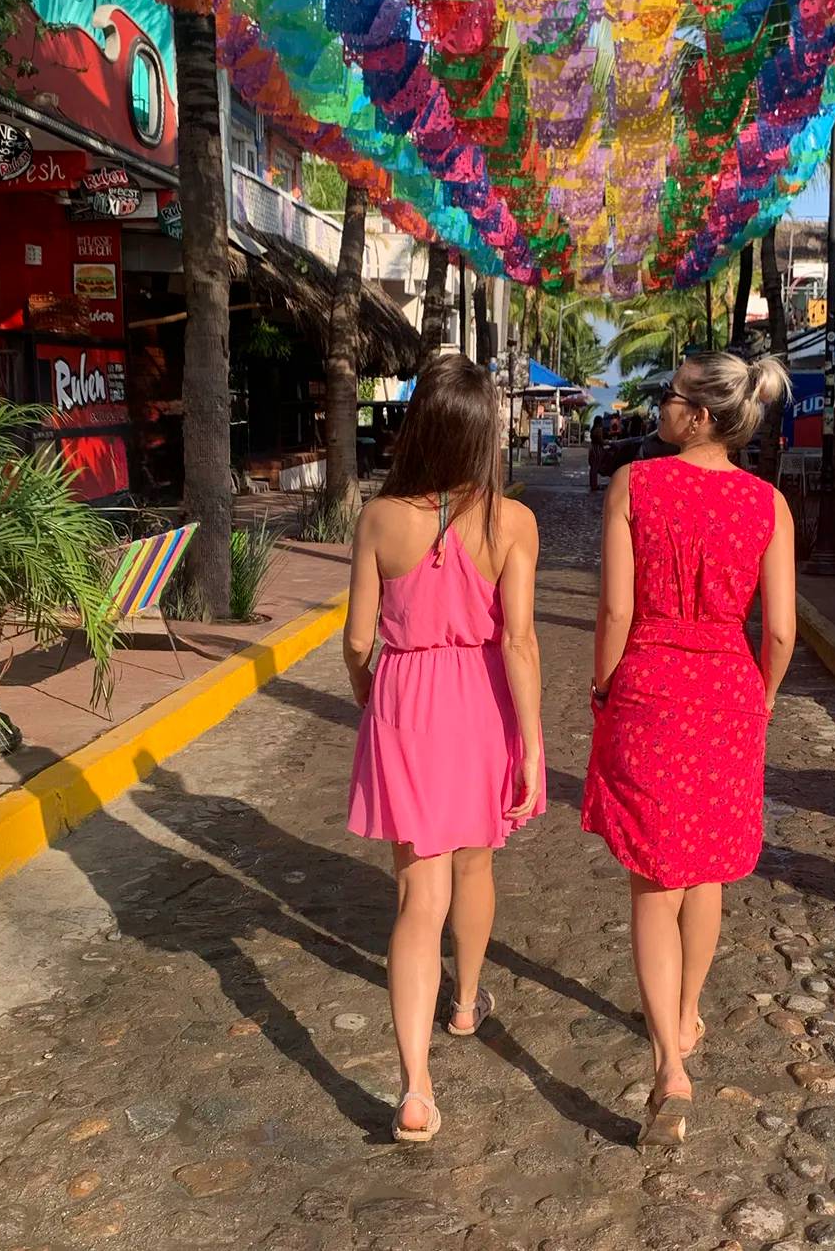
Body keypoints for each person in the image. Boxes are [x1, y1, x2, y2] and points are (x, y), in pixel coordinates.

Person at [582, 352, 796, 1147]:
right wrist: (765, 693)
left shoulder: (636, 486)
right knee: (706, 867)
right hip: (728, 696)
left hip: (649, 686)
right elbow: (778, 629)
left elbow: (613, 610)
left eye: (668, 397)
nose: (660, 408)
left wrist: (604, 689)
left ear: (699, 415)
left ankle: (669, 1061)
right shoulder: (769, 504)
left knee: (651, 880)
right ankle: (689, 1011)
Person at [345, 353, 545, 1144]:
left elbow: (359, 639)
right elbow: (521, 641)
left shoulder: (379, 518)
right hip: (480, 704)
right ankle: (465, 1004)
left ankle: (416, 1090)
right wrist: (531, 743)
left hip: (405, 700)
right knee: (476, 863)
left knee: (415, 897)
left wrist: (375, 702)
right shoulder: (510, 522)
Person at [588, 414, 605, 492]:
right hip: (597, 449)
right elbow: (600, 441)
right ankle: (594, 485)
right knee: (595, 468)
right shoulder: (599, 430)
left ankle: (593, 484)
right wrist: (607, 442)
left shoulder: (593, 429)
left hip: (592, 448)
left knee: (593, 468)